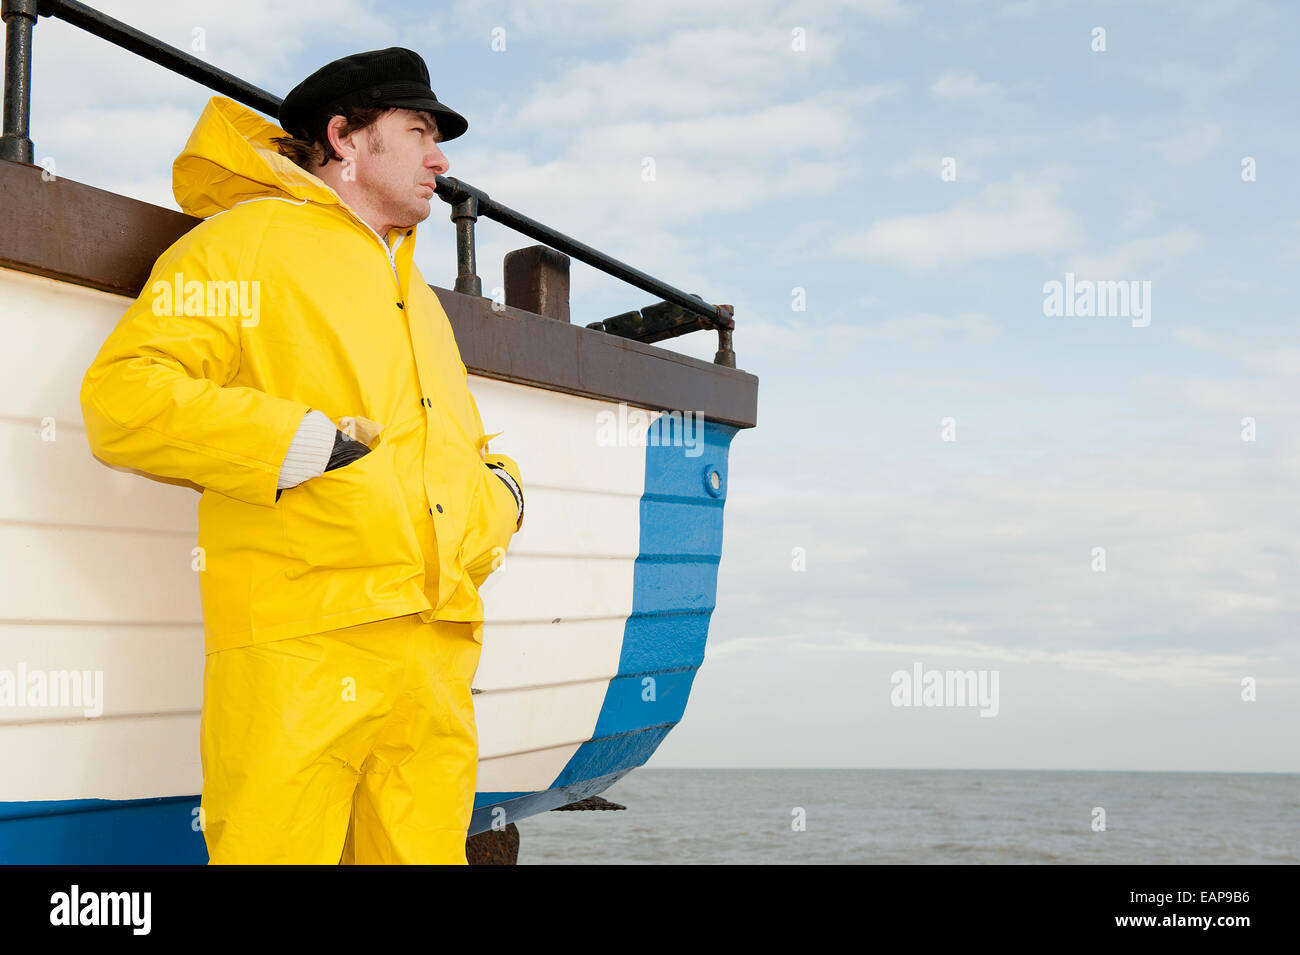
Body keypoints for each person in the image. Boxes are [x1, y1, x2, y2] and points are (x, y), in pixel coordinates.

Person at [78, 47, 524, 865]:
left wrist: (503, 499)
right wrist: (299, 444)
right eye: (417, 131)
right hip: (301, 650)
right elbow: (124, 399)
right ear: (345, 139)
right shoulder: (242, 245)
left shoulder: (415, 291)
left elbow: (456, 440)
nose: (441, 157)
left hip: (434, 652)